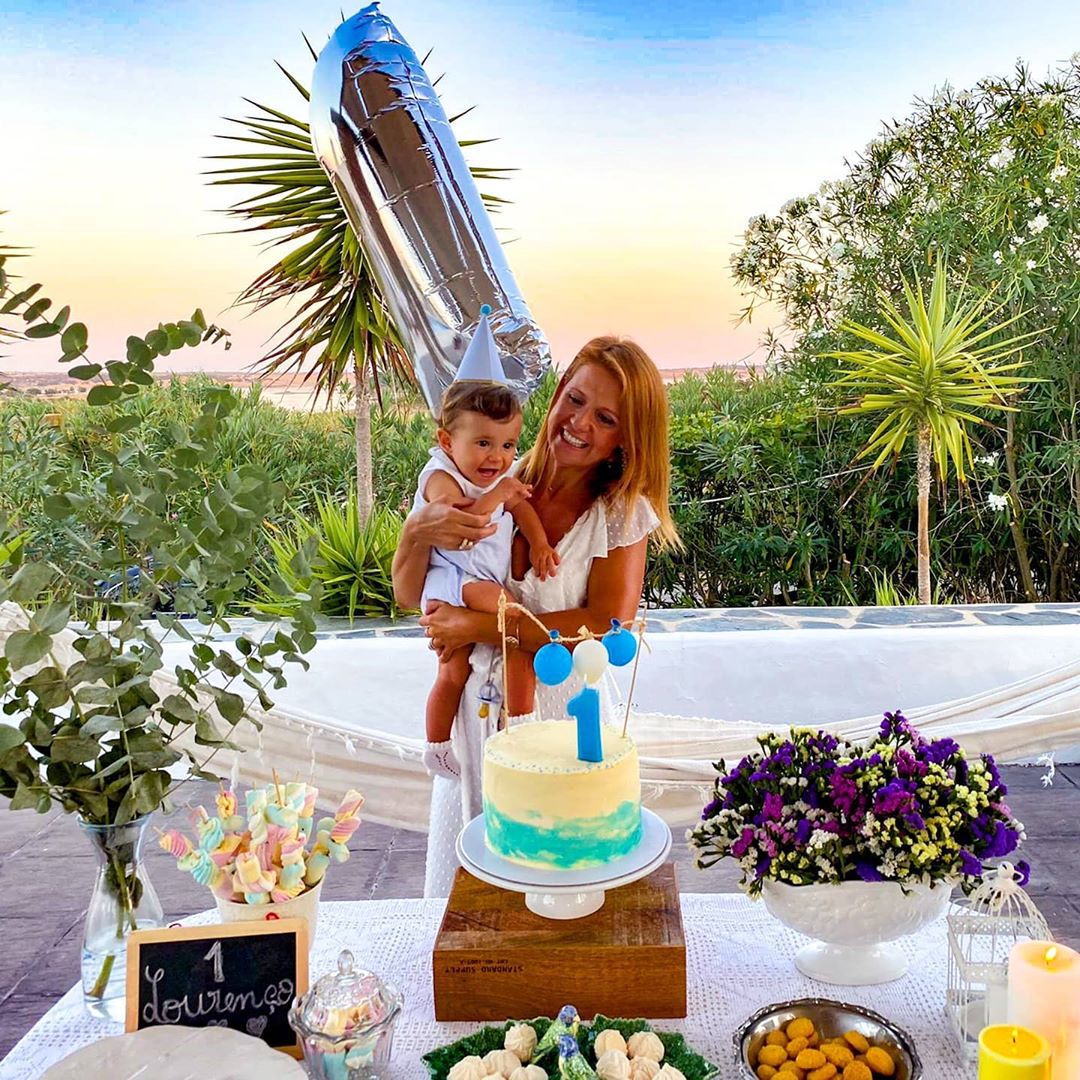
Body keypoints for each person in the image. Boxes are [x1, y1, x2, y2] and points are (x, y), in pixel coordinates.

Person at [392, 337, 679, 896]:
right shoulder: (492, 473)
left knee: (552, 888)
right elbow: (410, 595)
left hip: (563, 723)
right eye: (575, 399)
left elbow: (607, 624)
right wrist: (413, 533)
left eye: (605, 418)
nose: (579, 423)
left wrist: (477, 626)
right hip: (474, 711)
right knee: (463, 900)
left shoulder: (620, 513)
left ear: (626, 437)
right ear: (557, 394)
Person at [413, 380, 559, 779]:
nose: (497, 457)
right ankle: (452, 742)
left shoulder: (500, 475)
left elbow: (522, 509)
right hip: (455, 577)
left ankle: (493, 727)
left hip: (475, 577)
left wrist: (540, 543)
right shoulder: (440, 478)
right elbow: (464, 526)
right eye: (483, 443)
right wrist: (499, 493)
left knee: (457, 670)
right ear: (447, 442)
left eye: (508, 445)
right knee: (515, 624)